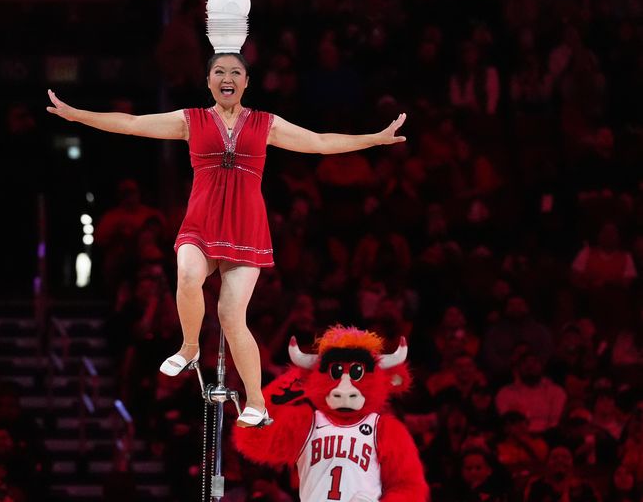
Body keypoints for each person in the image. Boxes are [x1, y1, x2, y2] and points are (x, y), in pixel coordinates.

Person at [46, 52, 407, 427]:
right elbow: (133, 123)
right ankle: (189, 348)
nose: (227, 77)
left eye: (235, 71)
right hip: (200, 222)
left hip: (245, 228)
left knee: (231, 315)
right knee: (188, 275)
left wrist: (376, 140)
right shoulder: (191, 120)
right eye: (219, 71)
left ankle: (256, 403)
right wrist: (78, 115)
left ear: (247, 82)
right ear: (208, 81)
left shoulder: (266, 124)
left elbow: (318, 141)